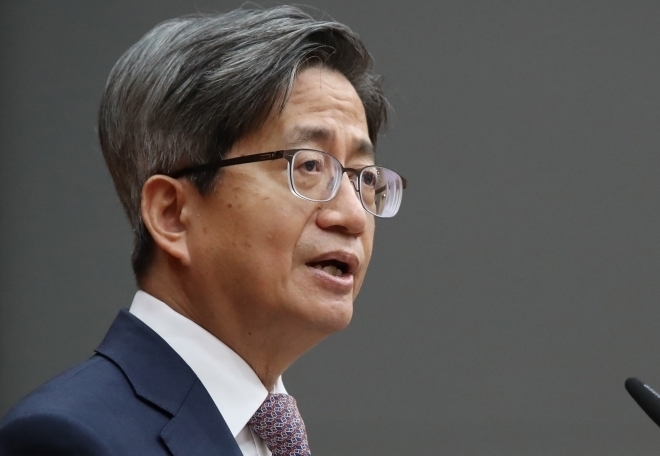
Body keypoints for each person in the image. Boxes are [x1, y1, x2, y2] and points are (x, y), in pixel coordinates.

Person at [0, 5, 406, 455]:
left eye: (363, 177)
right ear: (172, 214)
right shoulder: (67, 439)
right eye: (309, 165)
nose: (352, 216)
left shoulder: (272, 436)